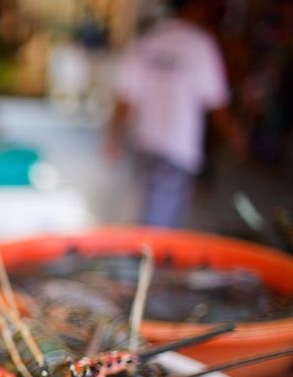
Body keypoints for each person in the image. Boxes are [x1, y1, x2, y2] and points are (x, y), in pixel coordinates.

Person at [105, 0, 246, 228]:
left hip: (146, 142)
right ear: (196, 8)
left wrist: (113, 135)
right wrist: (235, 136)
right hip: (177, 147)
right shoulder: (200, 45)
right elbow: (216, 101)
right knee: (159, 225)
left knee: (150, 211)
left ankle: (144, 253)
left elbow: (126, 95)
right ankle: (147, 258)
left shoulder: (149, 40)